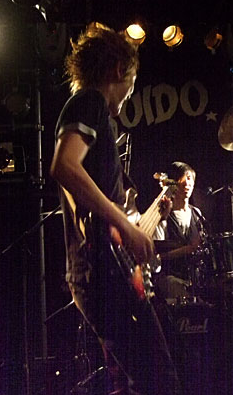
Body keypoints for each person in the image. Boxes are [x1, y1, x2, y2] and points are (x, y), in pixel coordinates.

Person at [50, 22, 181, 395]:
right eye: (132, 84)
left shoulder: (91, 111)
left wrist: (136, 224)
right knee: (160, 382)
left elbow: (100, 211)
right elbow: (64, 165)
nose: (129, 94)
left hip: (104, 271)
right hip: (101, 274)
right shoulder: (90, 102)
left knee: (137, 382)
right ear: (119, 70)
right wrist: (125, 225)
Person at [153, 161, 209, 303]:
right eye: (182, 179)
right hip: (170, 278)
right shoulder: (163, 215)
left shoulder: (197, 213)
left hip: (196, 279)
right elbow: (157, 258)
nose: (187, 184)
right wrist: (187, 249)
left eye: (190, 179)